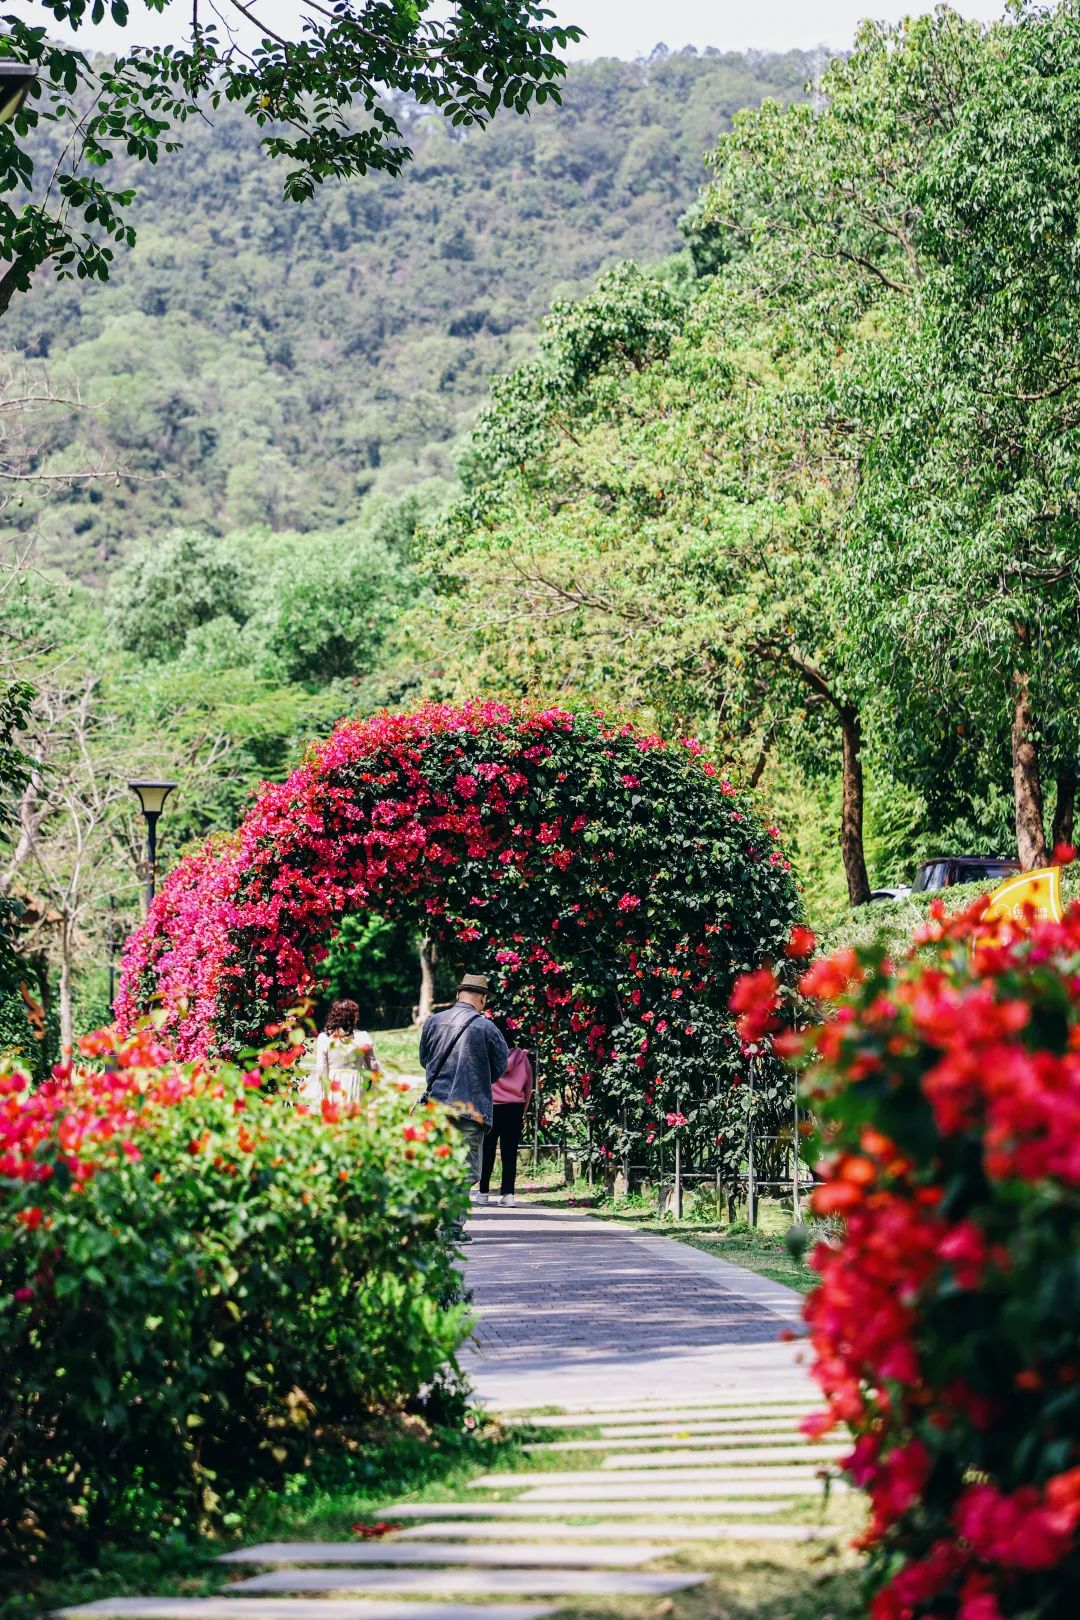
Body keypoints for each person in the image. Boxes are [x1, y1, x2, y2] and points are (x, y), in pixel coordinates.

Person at [419, 972, 509, 1241]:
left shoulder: (433, 1022)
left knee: (436, 1166)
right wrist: (481, 1077)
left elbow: (425, 1060)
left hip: (436, 1108)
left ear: (459, 994)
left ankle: (425, 1225)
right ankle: (451, 1229)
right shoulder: (487, 1028)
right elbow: (501, 1066)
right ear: (481, 999)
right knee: (464, 1170)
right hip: (471, 1110)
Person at [477, 1017, 533, 1206]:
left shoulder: (486, 1056)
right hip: (515, 1108)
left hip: (491, 1107)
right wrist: (522, 1110)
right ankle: (508, 1194)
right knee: (510, 1152)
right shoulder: (522, 1056)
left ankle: (483, 1192)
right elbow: (528, 1086)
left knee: (487, 1151)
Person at [301, 998, 379, 1105]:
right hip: (357, 1083)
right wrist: (369, 1085)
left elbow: (321, 1068)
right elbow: (373, 1066)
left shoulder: (324, 1038)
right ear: (353, 1016)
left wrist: (323, 1093)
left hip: (334, 1083)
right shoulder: (363, 1037)